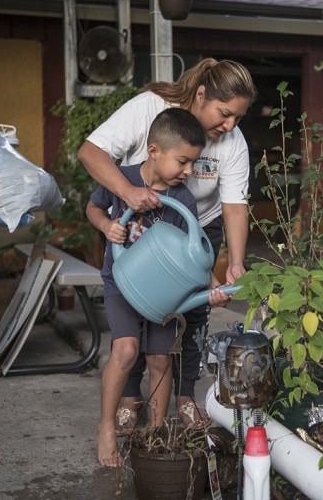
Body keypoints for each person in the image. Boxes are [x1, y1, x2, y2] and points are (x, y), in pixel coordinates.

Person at [78, 58, 257, 430]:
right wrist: (127, 193)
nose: (229, 126)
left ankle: (185, 394)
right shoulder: (150, 108)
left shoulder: (232, 141)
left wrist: (235, 262)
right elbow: (91, 152)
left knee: (192, 316)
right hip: (139, 214)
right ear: (202, 94)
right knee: (136, 304)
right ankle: (131, 395)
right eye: (225, 114)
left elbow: (235, 205)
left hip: (197, 229)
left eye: (237, 118)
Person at [87, 107, 230, 467]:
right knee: (125, 351)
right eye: (182, 162)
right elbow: (93, 207)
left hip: (164, 295)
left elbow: (193, 254)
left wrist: (214, 287)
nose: (187, 172)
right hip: (122, 283)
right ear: (153, 151)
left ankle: (155, 431)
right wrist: (107, 227)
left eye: (192, 164)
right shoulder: (121, 178)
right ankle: (105, 426)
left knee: (159, 359)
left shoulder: (182, 200)